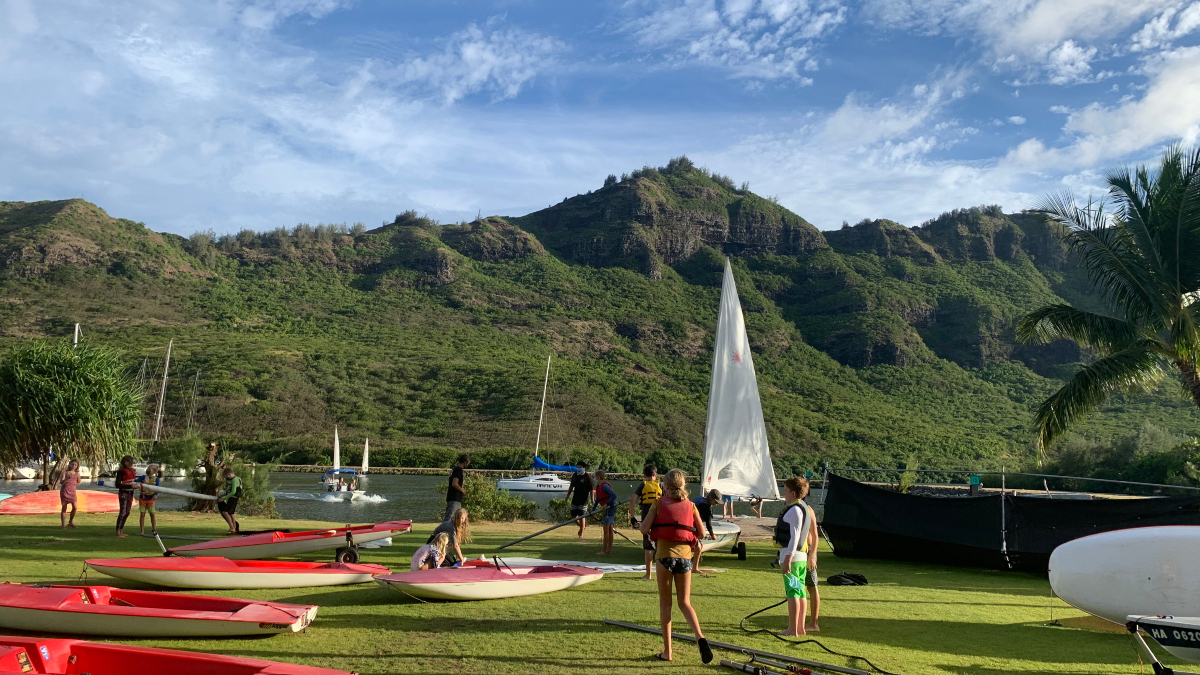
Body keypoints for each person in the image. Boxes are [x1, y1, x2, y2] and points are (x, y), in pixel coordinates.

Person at [639, 469, 712, 664]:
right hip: (685, 559)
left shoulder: (658, 504)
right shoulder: (691, 505)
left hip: (664, 557)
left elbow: (644, 529)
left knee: (665, 604)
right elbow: (702, 533)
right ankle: (700, 637)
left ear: (667, 486)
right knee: (684, 602)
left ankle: (667, 652)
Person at [774, 477, 815, 636]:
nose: (784, 494)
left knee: (793, 592)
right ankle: (800, 628)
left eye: (785, 491)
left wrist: (788, 559)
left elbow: (795, 536)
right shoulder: (802, 507)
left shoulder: (795, 510)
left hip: (794, 557)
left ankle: (793, 629)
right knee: (799, 591)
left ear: (792, 493)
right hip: (800, 556)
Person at [629, 464, 662, 580]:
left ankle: (648, 574)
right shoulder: (661, 485)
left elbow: (632, 500)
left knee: (648, 547)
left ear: (644, 475)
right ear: (656, 475)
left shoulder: (643, 485)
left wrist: (632, 517)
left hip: (646, 519)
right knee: (660, 546)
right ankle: (661, 573)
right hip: (659, 519)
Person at [690, 489, 722, 571]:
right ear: (710, 498)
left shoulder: (699, 499)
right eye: (716, 501)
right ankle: (694, 568)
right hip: (693, 527)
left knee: (699, 546)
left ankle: (694, 563)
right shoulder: (706, 507)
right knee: (698, 547)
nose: (717, 504)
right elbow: (708, 523)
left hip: (687, 525)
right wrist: (712, 534)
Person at [804, 498, 821, 632]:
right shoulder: (798, 508)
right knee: (801, 587)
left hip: (807, 552)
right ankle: (800, 621)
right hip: (800, 552)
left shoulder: (807, 509)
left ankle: (813, 624)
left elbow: (815, 535)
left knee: (811, 586)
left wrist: (812, 556)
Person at [565, 462, 594, 538]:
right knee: (573, 516)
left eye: (580, 467)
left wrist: (592, 499)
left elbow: (591, 490)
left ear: (584, 468)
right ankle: (582, 527)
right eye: (578, 467)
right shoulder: (575, 475)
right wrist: (567, 496)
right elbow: (571, 486)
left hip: (584, 499)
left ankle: (581, 534)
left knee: (582, 515)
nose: (578, 468)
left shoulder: (587, 477)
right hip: (575, 498)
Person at [594, 470, 619, 555]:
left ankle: (605, 551)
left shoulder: (604, 486)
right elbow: (598, 499)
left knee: (606, 530)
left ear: (598, 477)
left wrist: (606, 504)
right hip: (608, 509)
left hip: (610, 508)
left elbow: (614, 495)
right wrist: (593, 509)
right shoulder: (598, 486)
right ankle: (609, 550)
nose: (594, 478)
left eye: (595, 476)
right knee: (609, 529)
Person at [114, 455, 137, 538]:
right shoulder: (121, 472)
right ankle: (117, 532)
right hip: (123, 493)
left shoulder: (132, 471)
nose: (132, 464)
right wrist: (130, 487)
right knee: (122, 512)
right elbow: (117, 484)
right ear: (126, 462)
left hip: (130, 493)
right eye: (130, 462)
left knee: (127, 512)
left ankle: (121, 530)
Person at [216, 467, 242, 535]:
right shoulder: (232, 480)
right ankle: (234, 527)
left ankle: (232, 528)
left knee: (225, 512)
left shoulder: (234, 480)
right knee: (231, 513)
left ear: (230, 474)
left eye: (226, 476)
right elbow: (228, 491)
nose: (226, 478)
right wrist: (221, 495)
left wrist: (224, 498)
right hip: (231, 497)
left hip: (233, 498)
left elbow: (233, 492)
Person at [137, 463, 160, 535]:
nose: (148, 469)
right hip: (143, 498)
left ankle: (154, 529)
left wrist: (156, 495)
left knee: (152, 514)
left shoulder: (156, 479)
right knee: (142, 514)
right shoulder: (143, 477)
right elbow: (136, 481)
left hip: (151, 499)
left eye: (149, 469)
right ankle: (142, 531)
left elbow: (158, 488)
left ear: (154, 471)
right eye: (148, 468)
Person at [446, 454, 469, 520]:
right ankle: (445, 530)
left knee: (456, 519)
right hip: (454, 498)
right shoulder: (458, 470)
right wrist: (462, 490)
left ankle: (454, 530)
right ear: (465, 462)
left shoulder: (455, 469)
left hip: (454, 498)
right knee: (450, 518)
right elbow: (455, 484)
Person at [59, 460, 80, 529]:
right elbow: (61, 482)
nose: (73, 466)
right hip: (65, 490)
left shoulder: (77, 473)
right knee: (64, 507)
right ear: (69, 464)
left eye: (75, 465)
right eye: (72, 464)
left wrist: (73, 485)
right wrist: (67, 479)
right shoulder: (65, 472)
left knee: (75, 507)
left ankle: (70, 521)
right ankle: (63, 525)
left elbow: (78, 482)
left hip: (72, 491)